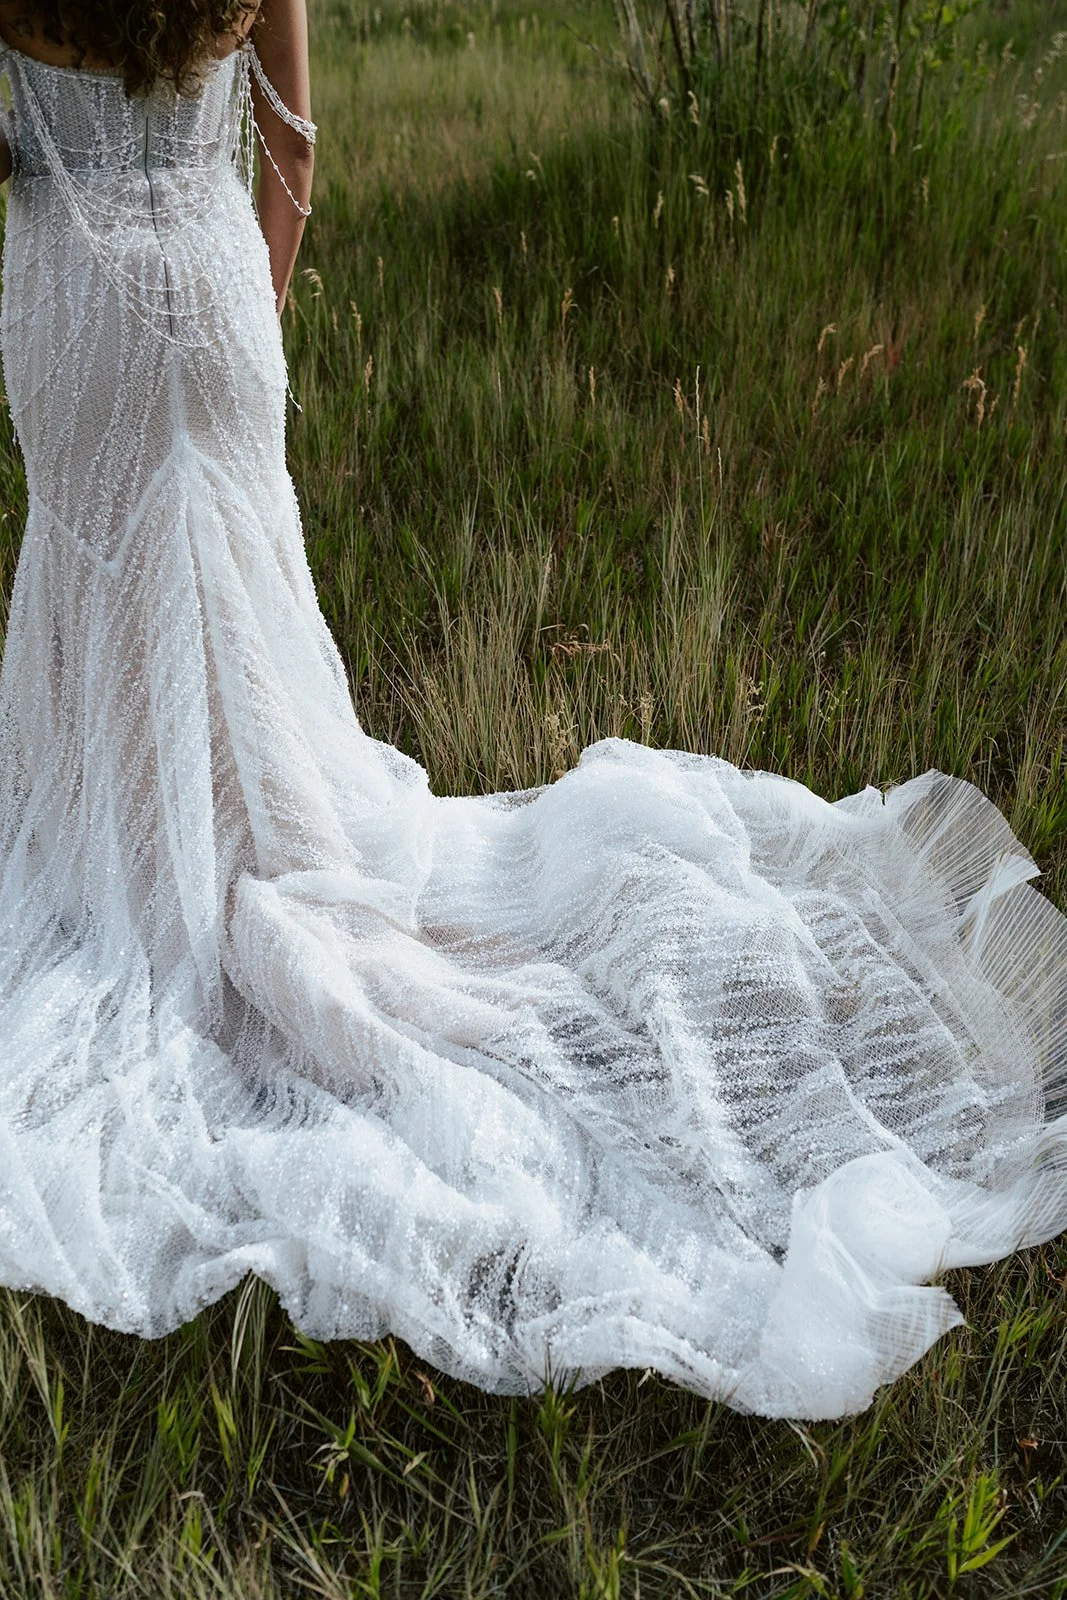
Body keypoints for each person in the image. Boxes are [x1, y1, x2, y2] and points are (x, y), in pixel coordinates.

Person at [0, 0, 1064, 1424]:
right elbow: (294, 142)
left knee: (112, 606)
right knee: (235, 614)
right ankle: (240, 844)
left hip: (70, 316)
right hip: (212, 292)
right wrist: (250, 298)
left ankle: (143, 869)